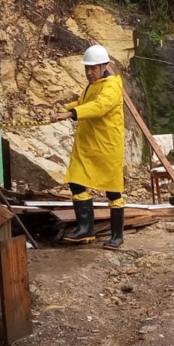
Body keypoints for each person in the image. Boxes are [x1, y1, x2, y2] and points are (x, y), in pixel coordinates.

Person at [51, 44, 126, 250]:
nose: (89, 72)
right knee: (76, 183)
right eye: (87, 68)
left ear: (104, 66)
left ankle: (117, 236)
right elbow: (84, 101)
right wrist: (65, 108)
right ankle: (86, 230)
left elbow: (99, 106)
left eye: (93, 68)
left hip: (106, 147)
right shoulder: (92, 85)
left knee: (113, 192)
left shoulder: (111, 86)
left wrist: (71, 113)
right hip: (88, 146)